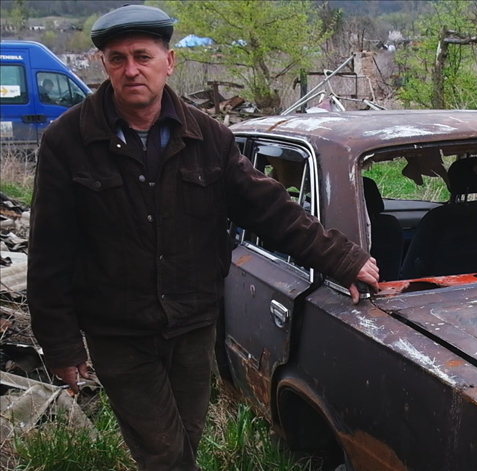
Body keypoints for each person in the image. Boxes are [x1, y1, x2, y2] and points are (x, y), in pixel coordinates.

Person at [26, 5, 379, 471]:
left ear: (168, 61)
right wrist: (61, 344)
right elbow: (50, 250)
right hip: (119, 332)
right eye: (117, 59)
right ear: (103, 65)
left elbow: (268, 207)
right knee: (164, 454)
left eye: (142, 56)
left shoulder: (208, 137)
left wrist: (340, 258)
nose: (131, 70)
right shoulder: (67, 143)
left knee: (186, 439)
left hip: (192, 327)